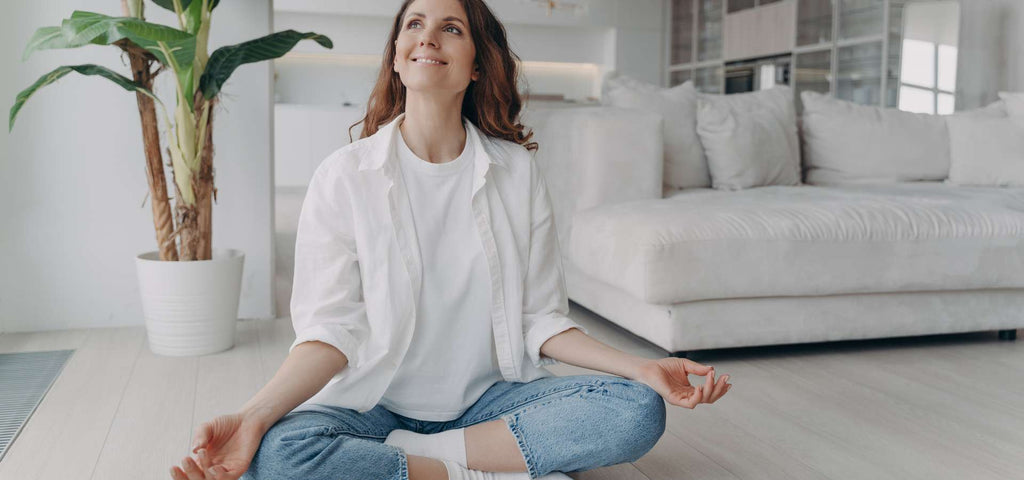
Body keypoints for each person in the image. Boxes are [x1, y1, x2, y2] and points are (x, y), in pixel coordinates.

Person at [168, 1, 732, 479]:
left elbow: (541, 318)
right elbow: (329, 330)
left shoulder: (517, 172)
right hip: (375, 405)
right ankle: (488, 464)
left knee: (635, 411)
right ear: (395, 56)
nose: (428, 38)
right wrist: (253, 415)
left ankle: (419, 465)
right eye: (413, 24)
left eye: (451, 28)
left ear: (478, 66)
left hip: (488, 402)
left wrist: (640, 367)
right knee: (277, 454)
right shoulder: (344, 176)